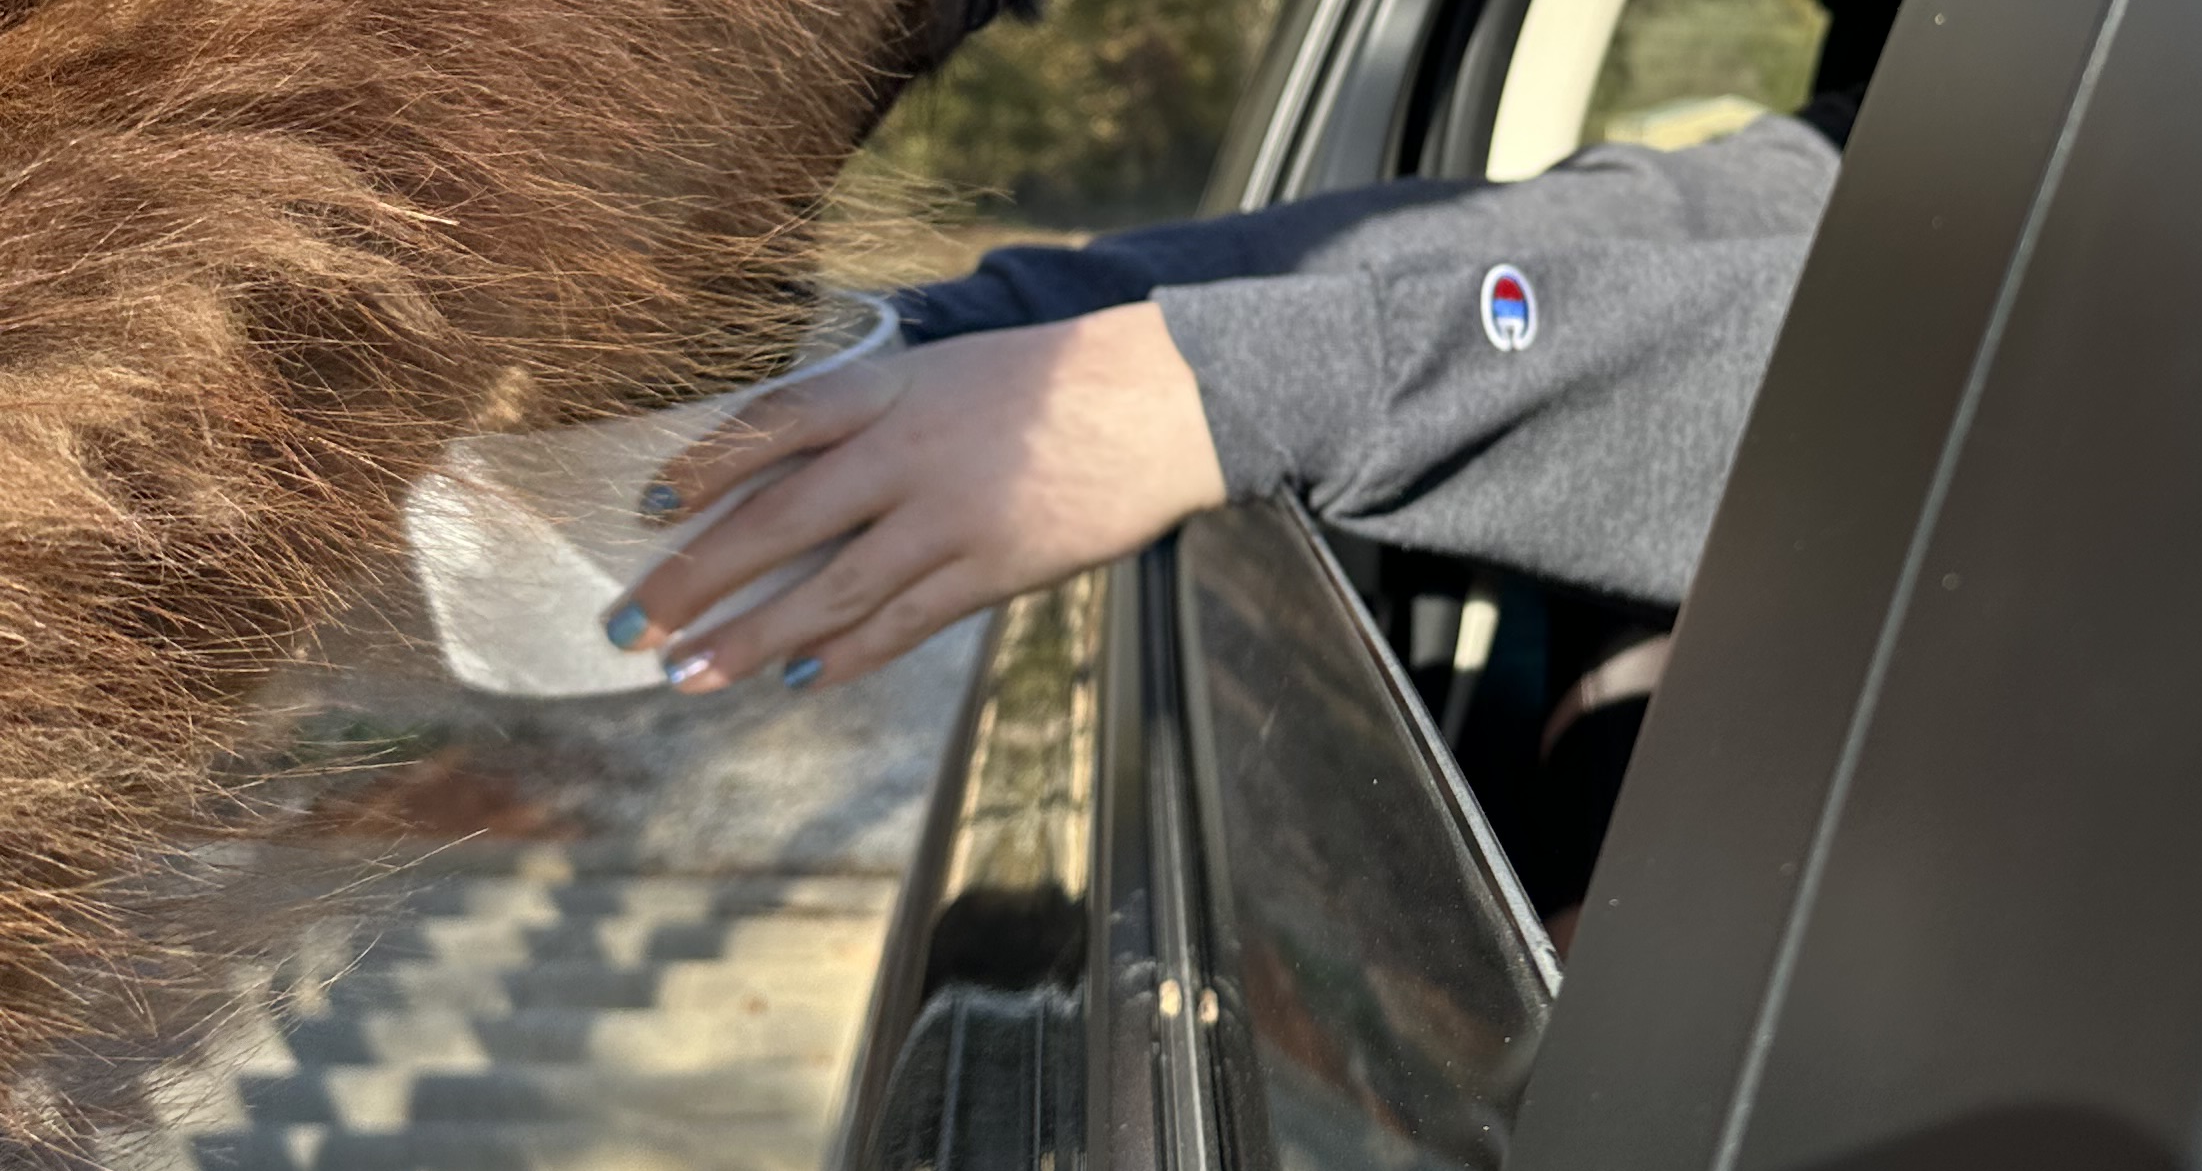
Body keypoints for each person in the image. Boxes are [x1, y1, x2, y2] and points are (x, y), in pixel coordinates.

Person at [606, 109, 1842, 698]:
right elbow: (1615, 225)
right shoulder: (1891, 133)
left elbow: (1931, 377)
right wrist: (924, 342)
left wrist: (1242, 385)